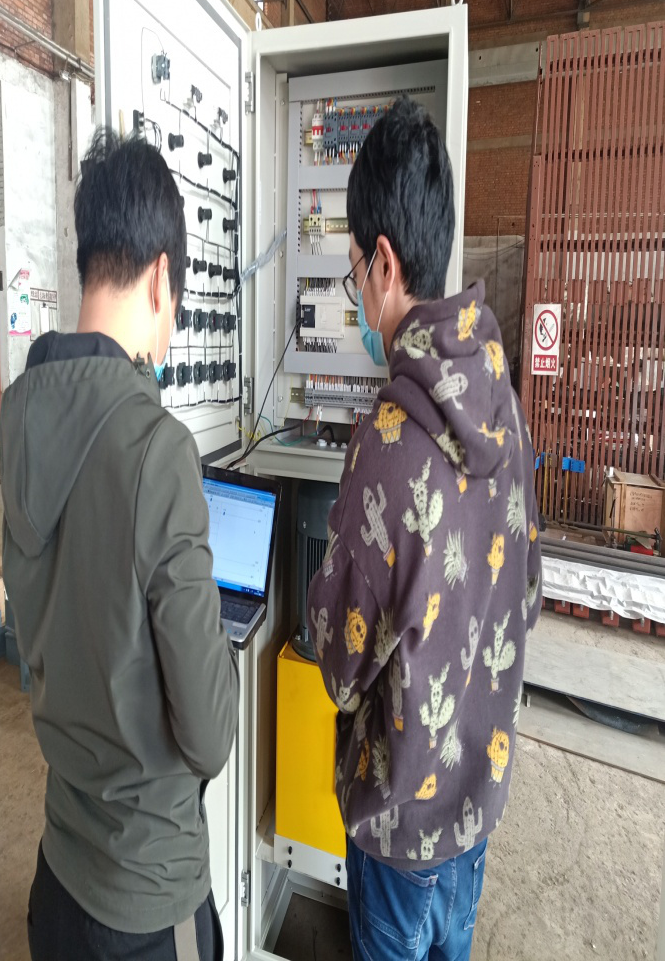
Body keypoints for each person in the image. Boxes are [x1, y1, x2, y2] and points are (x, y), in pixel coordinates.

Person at [307, 96, 542, 961]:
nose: (359, 299)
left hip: (398, 835)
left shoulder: (388, 438)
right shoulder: (505, 405)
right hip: (476, 814)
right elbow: (526, 595)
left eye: (354, 275)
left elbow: (339, 662)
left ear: (384, 261)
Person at [0, 129, 239, 961]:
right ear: (163, 277)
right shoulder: (158, 450)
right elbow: (209, 736)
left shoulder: (17, 419)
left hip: (59, 879)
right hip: (147, 903)